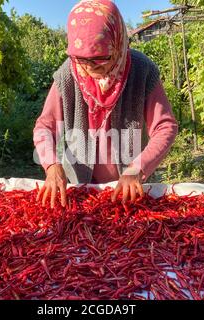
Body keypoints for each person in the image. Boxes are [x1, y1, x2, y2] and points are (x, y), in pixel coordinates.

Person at [33, 0, 178, 208]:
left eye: (101, 58)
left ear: (118, 43)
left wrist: (137, 168)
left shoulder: (142, 70)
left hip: (129, 185)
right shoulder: (68, 74)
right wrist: (52, 165)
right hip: (80, 187)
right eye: (81, 59)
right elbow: (44, 126)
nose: (90, 68)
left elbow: (165, 126)